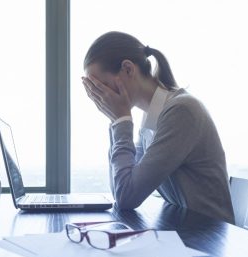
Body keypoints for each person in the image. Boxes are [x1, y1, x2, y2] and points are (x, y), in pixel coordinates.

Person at [82, 31, 235, 224]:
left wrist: (120, 121)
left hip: (208, 238)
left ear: (128, 69)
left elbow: (127, 197)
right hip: (187, 231)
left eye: (102, 86)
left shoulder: (181, 111)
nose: (101, 97)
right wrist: (116, 122)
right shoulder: (153, 114)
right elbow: (121, 187)